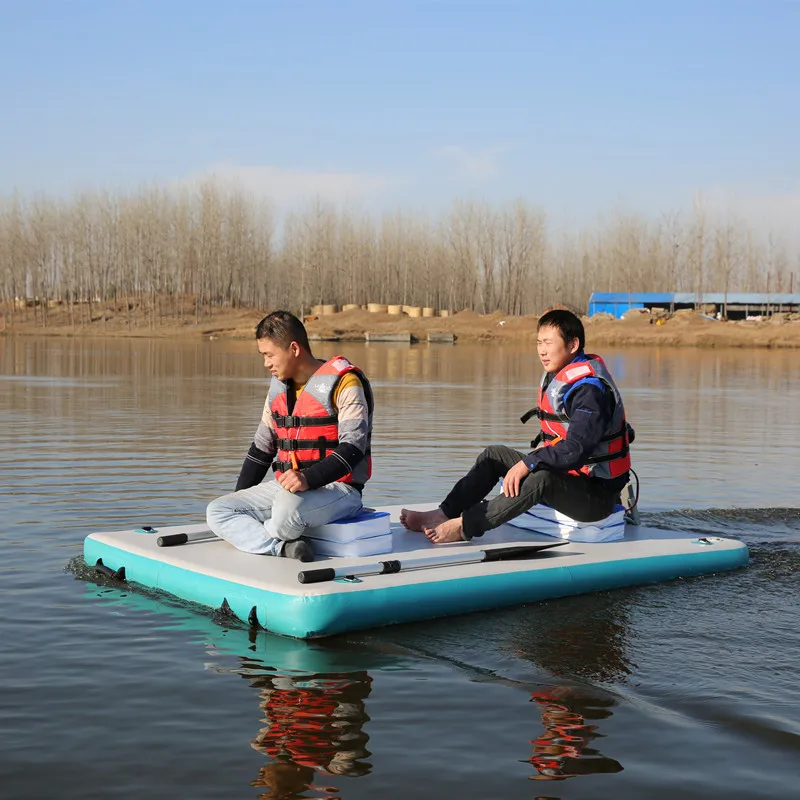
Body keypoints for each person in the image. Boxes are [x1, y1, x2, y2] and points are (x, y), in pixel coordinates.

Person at [400, 309, 633, 543]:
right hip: (570, 479)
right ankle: (444, 513)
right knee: (494, 455)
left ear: (573, 344)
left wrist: (529, 462)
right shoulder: (561, 377)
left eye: (548, 343)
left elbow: (575, 450)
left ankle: (465, 527)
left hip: (596, 497)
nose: (542, 350)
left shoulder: (590, 391)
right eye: (539, 342)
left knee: (540, 478)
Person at [206, 310, 374, 561]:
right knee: (218, 510)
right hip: (288, 489)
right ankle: (281, 547)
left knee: (286, 512)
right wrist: (239, 500)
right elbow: (261, 450)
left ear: (294, 348)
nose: (266, 363)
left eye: (269, 354)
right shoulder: (278, 390)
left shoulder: (346, 383)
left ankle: (260, 537)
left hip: (340, 491)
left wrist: (307, 478)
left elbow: (353, 447)